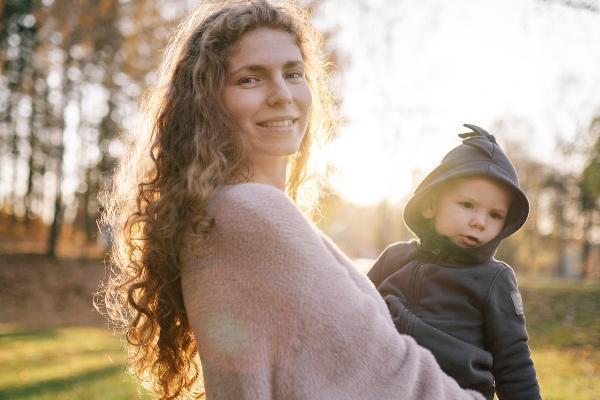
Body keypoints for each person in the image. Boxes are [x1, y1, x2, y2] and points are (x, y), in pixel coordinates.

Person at [98, 1, 485, 399]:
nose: (282, 94)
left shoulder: (223, 215)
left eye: (293, 73)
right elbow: (391, 378)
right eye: (250, 79)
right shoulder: (250, 214)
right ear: (208, 101)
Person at [368, 124, 541, 400]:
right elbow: (353, 311)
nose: (479, 221)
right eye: (467, 205)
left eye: (495, 215)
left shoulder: (494, 279)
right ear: (430, 205)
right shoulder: (394, 258)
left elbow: (513, 362)